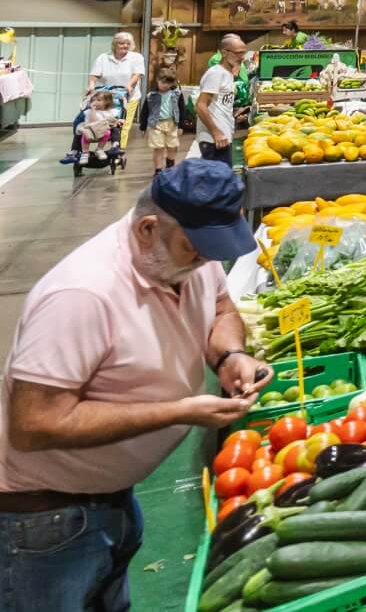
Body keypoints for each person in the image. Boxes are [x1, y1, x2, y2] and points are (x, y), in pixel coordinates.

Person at [0, 162, 271, 611]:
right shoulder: (82, 294)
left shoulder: (184, 256)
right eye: (197, 248)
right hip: (47, 522)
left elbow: (221, 307)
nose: (206, 258)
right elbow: (33, 423)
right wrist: (180, 411)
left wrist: (229, 356)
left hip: (113, 499)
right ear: (148, 228)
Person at [69, 31, 146, 162]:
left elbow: (137, 74)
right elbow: (94, 75)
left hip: (127, 97)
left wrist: (129, 85)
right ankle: (78, 149)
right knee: (87, 119)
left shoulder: (136, 57)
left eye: (128, 43)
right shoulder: (103, 58)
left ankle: (118, 149)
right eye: (122, 43)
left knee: (123, 124)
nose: (125, 46)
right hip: (104, 96)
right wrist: (91, 85)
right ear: (115, 44)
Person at [195, 34, 247, 162]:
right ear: (225, 53)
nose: (242, 57)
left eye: (243, 53)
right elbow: (200, 105)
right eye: (238, 53)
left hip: (222, 138)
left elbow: (219, 105)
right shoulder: (216, 73)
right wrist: (216, 133)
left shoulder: (228, 74)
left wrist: (235, 114)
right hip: (214, 141)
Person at [137, 72, 191, 173]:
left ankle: (170, 166)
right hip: (156, 124)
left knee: (172, 146)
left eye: (169, 83)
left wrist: (181, 126)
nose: (166, 85)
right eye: (163, 82)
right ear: (157, 80)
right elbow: (145, 111)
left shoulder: (176, 94)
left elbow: (182, 109)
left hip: (172, 123)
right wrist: (143, 127)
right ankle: (158, 170)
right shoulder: (151, 96)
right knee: (158, 148)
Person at [79, 90, 121, 161]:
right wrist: (93, 109)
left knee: (109, 132)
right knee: (85, 134)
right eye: (93, 100)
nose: (95, 102)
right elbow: (93, 122)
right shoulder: (89, 112)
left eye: (98, 100)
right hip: (91, 130)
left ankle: (99, 149)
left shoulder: (111, 111)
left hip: (104, 131)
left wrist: (118, 121)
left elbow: (113, 120)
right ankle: (85, 153)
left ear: (107, 102)